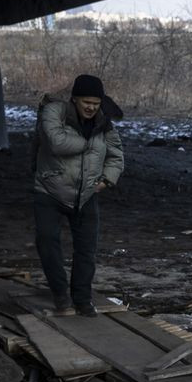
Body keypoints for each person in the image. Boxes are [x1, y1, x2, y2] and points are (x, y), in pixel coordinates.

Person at [33, 74, 124, 317]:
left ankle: (83, 300)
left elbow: (116, 156)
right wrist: (90, 144)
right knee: (47, 242)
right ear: (75, 100)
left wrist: (106, 180)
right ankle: (60, 296)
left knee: (86, 250)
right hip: (50, 191)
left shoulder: (104, 123)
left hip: (86, 195)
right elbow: (56, 143)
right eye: (87, 102)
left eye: (96, 103)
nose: (91, 108)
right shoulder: (54, 112)